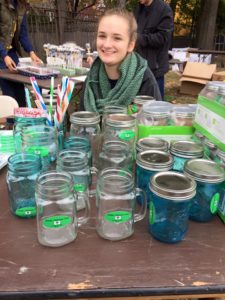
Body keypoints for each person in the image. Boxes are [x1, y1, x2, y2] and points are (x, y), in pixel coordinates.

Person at [80, 8, 161, 114]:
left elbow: (155, 125)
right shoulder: (91, 80)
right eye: (102, 36)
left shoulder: (145, 81)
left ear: (131, 45)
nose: (107, 45)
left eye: (117, 38)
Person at [0, 0, 42, 107]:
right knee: (9, 92)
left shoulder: (21, 6)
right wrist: (4, 55)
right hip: (2, 53)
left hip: (11, 53)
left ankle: (23, 120)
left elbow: (23, 35)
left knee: (20, 91)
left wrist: (31, 53)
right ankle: (11, 122)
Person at [133, 0, 174, 100]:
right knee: (137, 107)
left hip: (155, 69)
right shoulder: (138, 9)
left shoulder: (164, 9)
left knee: (156, 106)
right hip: (138, 68)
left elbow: (163, 38)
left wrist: (139, 38)